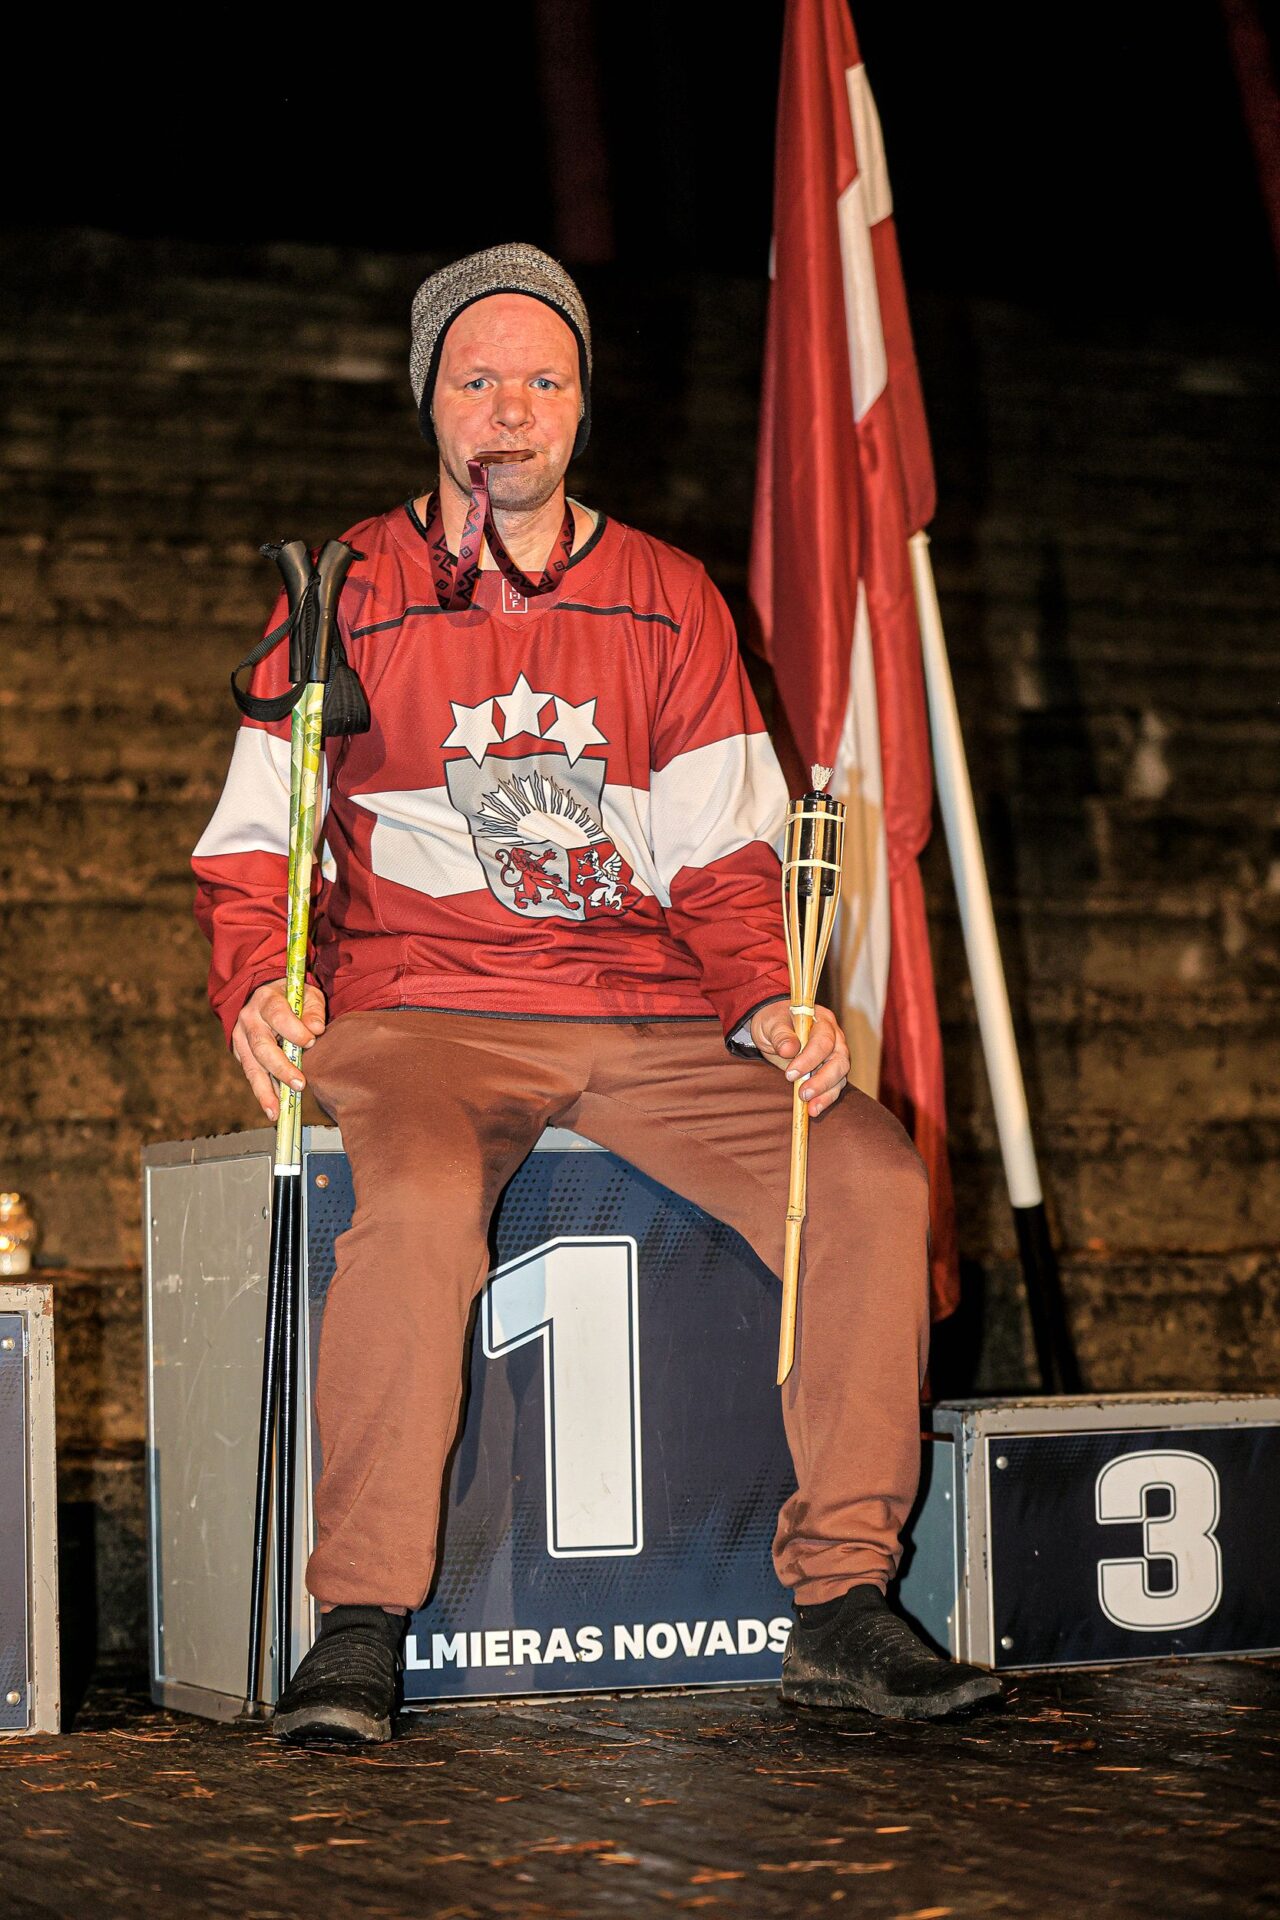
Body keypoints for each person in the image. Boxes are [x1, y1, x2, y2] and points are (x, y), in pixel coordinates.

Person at [193, 242, 1000, 1745]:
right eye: (477, 380)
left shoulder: (669, 597)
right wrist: (255, 983)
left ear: (581, 404)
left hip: (649, 1009)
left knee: (873, 1183)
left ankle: (840, 1603)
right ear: (430, 399)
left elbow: (724, 857)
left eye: (542, 381)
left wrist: (770, 1000)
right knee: (417, 1206)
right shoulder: (343, 588)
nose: (510, 412)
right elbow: (256, 845)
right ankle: (358, 1623)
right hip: (422, 1006)